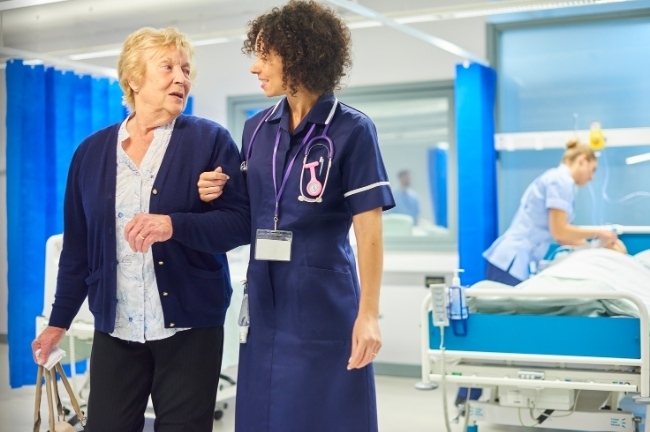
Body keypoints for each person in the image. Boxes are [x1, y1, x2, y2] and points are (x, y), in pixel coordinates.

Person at [31, 27, 250, 432]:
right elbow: (78, 249)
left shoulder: (209, 141)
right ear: (133, 79)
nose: (181, 78)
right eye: (167, 67)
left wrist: (173, 225)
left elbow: (239, 224)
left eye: (185, 69)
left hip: (189, 327)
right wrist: (58, 323)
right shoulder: (91, 153)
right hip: (116, 328)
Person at [197, 2, 394, 431]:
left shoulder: (352, 130)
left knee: (326, 415)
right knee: (262, 414)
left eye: (265, 56)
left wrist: (369, 313)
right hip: (266, 301)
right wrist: (215, 191)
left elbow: (369, 227)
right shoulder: (255, 128)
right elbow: (248, 208)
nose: (254, 68)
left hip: (323, 301)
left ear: (301, 57)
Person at [483, 138, 617, 286]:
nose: (591, 178)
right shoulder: (559, 181)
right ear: (582, 160)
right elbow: (560, 232)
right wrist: (599, 232)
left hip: (515, 259)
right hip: (511, 259)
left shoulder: (561, 181)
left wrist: (594, 247)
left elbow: (565, 238)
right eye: (592, 170)